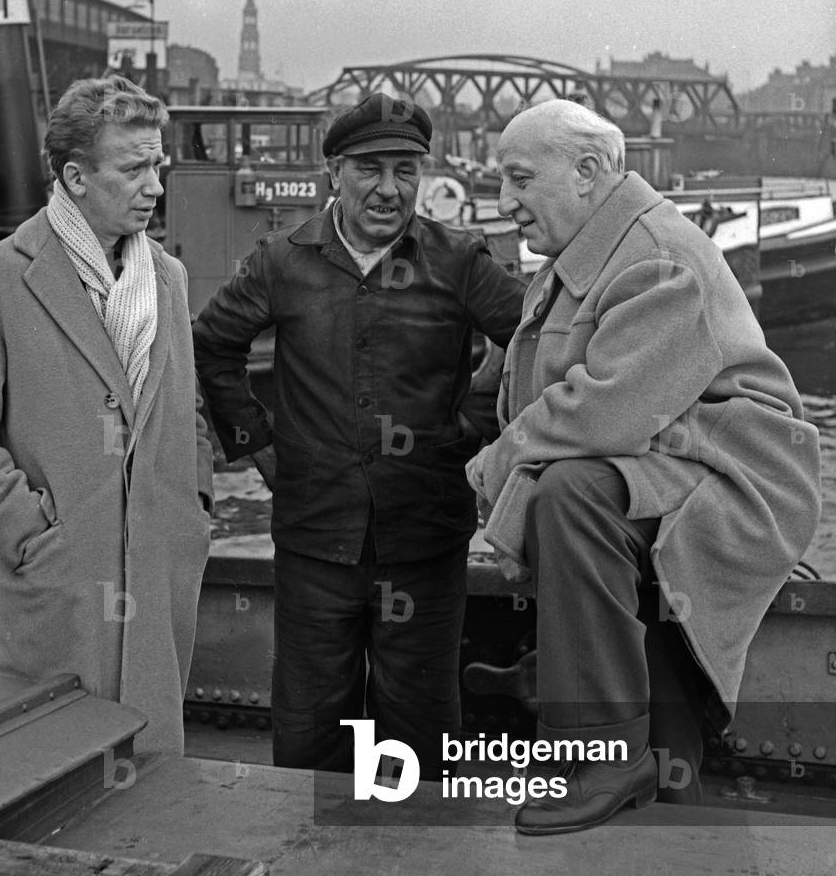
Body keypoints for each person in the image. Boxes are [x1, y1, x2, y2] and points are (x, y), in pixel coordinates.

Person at [467, 98, 821, 834]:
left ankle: (602, 754)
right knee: (574, 499)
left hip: (735, 478)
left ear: (589, 172)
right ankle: (634, 780)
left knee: (570, 492)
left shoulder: (657, 257)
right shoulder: (585, 255)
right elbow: (528, 387)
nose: (505, 204)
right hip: (664, 468)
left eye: (521, 180)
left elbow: (609, 409)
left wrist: (497, 465)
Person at [192, 92, 525, 779]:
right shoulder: (283, 262)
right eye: (370, 169)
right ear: (334, 175)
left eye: (405, 170)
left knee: (420, 721)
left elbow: (529, 341)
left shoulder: (458, 260)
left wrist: (469, 427)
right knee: (313, 718)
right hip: (316, 531)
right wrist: (259, 446)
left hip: (424, 533)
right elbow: (212, 345)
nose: (388, 188)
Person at [0, 75, 214, 753]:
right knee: (52, 773)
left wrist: (192, 504)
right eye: (134, 169)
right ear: (76, 178)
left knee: (152, 776)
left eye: (157, 165)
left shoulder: (168, 277)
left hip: (160, 564)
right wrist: (28, 532)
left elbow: (184, 400)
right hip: (61, 575)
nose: (155, 186)